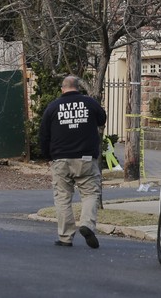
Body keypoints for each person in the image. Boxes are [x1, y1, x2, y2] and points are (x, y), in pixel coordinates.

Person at [39, 75, 107, 248]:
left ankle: (65, 237)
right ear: (78, 88)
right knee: (90, 193)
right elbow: (102, 119)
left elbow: (44, 135)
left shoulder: (53, 107)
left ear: (63, 89)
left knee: (62, 198)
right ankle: (87, 224)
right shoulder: (89, 103)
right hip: (85, 158)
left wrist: (48, 156)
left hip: (60, 159)